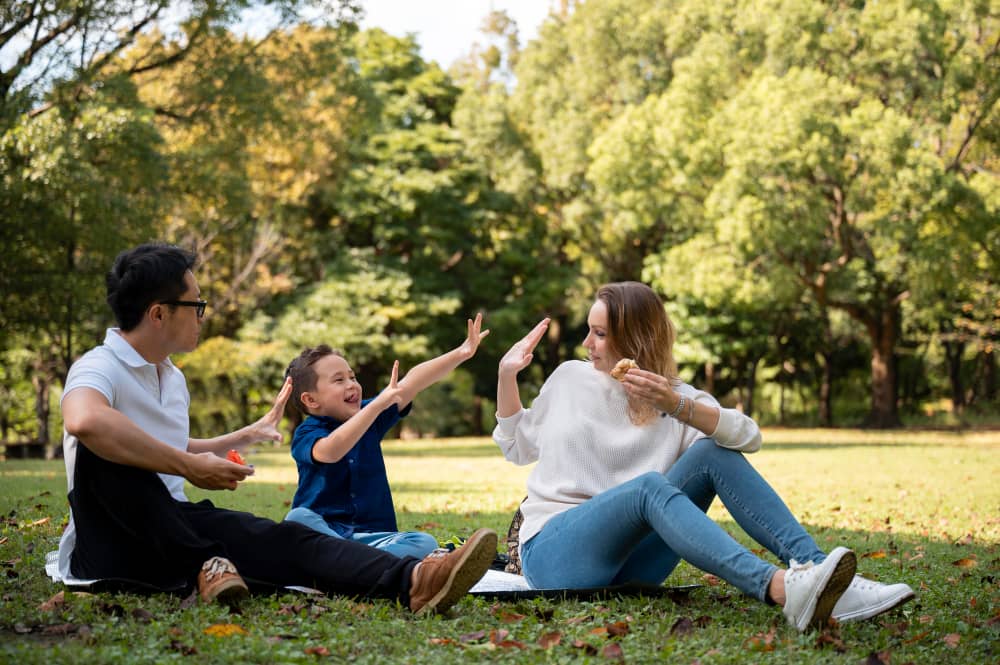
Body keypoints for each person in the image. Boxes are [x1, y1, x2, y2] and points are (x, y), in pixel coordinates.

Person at [52, 242, 497, 613]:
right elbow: (86, 420)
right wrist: (188, 465)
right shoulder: (99, 366)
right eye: (197, 305)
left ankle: (416, 580)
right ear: (159, 313)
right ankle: (206, 562)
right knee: (104, 450)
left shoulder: (171, 377)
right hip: (112, 541)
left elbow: (163, 444)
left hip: (175, 526)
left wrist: (237, 438)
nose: (203, 315)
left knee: (288, 537)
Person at [493, 281, 914, 631]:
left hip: (635, 565)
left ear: (637, 338)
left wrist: (677, 405)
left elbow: (748, 437)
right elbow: (517, 446)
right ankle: (780, 588)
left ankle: (824, 576)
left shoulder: (678, 399)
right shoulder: (570, 379)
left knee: (714, 450)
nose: (587, 342)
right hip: (555, 553)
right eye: (590, 330)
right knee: (647, 490)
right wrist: (506, 376)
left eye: (600, 333)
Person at [283, 315, 489, 559]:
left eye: (352, 377)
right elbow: (330, 451)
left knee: (423, 542)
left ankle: (348, 564)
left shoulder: (372, 414)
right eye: (339, 380)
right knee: (297, 518)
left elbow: (411, 382)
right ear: (310, 400)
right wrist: (376, 406)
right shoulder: (307, 433)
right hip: (326, 534)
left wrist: (462, 352)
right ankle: (358, 564)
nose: (352, 384)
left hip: (375, 539)